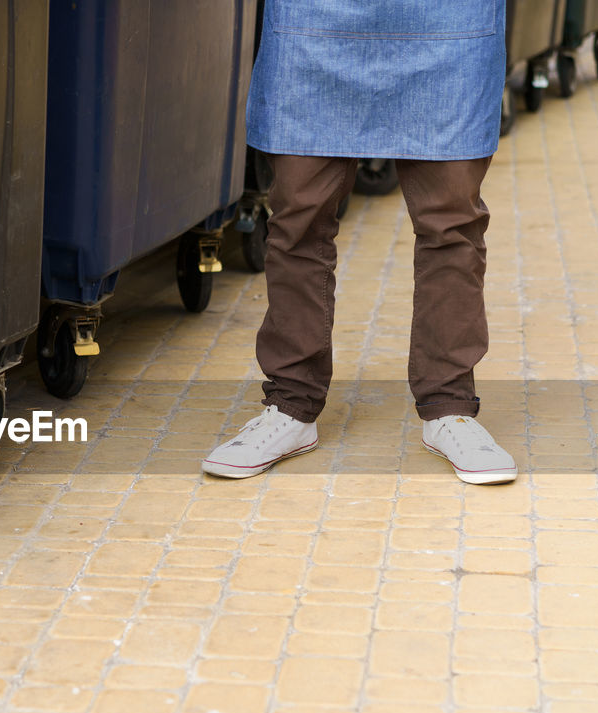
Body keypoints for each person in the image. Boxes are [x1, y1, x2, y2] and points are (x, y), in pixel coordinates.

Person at [202, 0, 517, 485]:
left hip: (450, 19)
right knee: (297, 222)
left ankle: (450, 407)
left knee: (451, 225)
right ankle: (291, 404)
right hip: (316, 19)